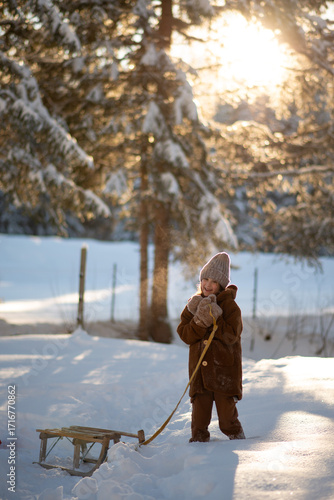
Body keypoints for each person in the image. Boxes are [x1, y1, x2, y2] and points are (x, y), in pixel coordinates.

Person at [177, 252, 245, 442]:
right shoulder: (193, 305)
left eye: (214, 281)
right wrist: (199, 322)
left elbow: (232, 335)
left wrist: (217, 318)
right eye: (205, 279)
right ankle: (198, 452)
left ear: (221, 285)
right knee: (199, 423)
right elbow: (185, 334)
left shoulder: (230, 306)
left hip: (224, 373)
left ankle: (238, 441)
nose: (208, 284)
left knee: (227, 421)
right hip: (200, 374)